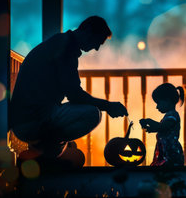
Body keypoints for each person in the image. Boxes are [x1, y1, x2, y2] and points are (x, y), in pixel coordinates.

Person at [9, 16, 128, 163]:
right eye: (98, 42)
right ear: (88, 31)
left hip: (25, 118)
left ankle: (47, 151)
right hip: (33, 120)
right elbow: (74, 95)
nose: (96, 48)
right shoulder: (64, 48)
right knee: (92, 114)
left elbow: (72, 92)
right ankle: (46, 153)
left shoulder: (60, 43)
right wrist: (108, 106)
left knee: (70, 132)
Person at [139, 83, 184, 166]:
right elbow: (162, 128)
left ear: (167, 100)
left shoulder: (173, 115)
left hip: (171, 154)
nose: (157, 107)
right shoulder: (168, 116)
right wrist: (152, 128)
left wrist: (149, 121)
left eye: (158, 103)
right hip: (165, 152)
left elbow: (164, 126)